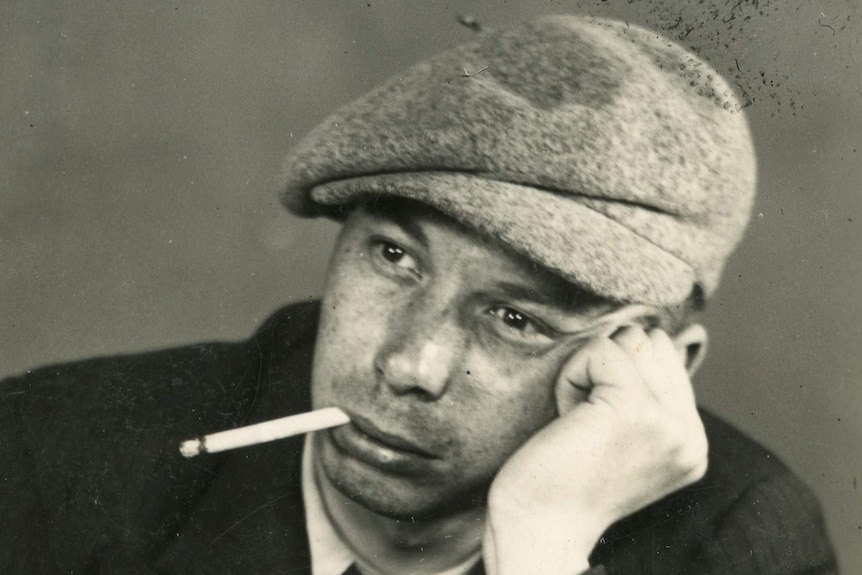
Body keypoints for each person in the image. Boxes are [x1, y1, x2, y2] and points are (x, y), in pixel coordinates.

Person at [0, 14, 838, 575]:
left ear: (658, 369)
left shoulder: (744, 542)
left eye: (515, 318)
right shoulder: (49, 460)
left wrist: (540, 544)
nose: (409, 362)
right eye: (395, 256)